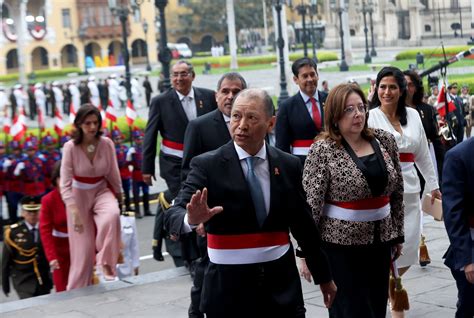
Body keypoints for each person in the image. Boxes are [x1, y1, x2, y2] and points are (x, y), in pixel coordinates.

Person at [165, 88, 336, 318]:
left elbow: (304, 227)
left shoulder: (288, 165)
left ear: (271, 123)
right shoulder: (207, 166)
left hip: (281, 290)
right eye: (236, 116)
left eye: (252, 117)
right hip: (227, 291)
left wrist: (324, 278)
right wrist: (190, 219)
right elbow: (173, 213)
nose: (241, 125)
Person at [302, 83, 404, 318]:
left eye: (361, 107)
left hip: (380, 242)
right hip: (340, 248)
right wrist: (305, 253)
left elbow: (397, 192)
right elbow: (311, 205)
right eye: (349, 110)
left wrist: (398, 234)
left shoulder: (384, 141)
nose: (358, 114)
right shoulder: (323, 150)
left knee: (377, 306)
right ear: (335, 115)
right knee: (349, 309)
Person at [368, 66, 441, 317]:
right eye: (382, 87)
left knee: (409, 247)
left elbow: (422, 154)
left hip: (411, 190)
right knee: (388, 249)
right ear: (376, 89)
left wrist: (434, 185)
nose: (387, 92)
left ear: (402, 90)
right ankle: (393, 295)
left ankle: (391, 283)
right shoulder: (369, 117)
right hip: (382, 193)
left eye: (392, 87)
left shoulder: (413, 115)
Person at [177, 72, 247, 318]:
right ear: (216, 96)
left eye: (236, 91)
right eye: (225, 91)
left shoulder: (251, 125)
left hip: (244, 213)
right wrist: (197, 216)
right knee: (205, 270)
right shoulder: (199, 126)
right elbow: (188, 173)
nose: (230, 96)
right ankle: (197, 312)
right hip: (210, 213)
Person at [143, 60, 217, 265]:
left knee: (205, 203)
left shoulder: (208, 96)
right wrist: (146, 168)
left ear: (192, 76)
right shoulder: (160, 101)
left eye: (184, 74)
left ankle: (208, 250)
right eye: (175, 74)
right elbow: (150, 134)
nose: (179, 78)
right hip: (174, 165)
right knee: (184, 205)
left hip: (202, 161)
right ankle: (189, 257)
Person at [60, 104, 122, 290]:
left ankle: (106, 263)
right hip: (77, 197)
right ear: (79, 124)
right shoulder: (70, 147)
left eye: (95, 123)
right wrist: (74, 211)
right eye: (87, 123)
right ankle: (76, 292)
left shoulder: (106, 143)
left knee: (112, 215)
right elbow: (65, 184)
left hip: (101, 190)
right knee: (83, 253)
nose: (92, 127)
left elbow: (113, 173)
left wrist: (120, 196)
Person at [442, 138, 474, 318]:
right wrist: (467, 259)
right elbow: (453, 213)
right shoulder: (458, 156)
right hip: (471, 243)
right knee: (469, 305)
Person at [275, 57, 328, 164]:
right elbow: (282, 146)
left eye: (313, 74)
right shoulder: (287, 107)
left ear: (317, 76)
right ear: (296, 79)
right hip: (301, 164)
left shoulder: (330, 99)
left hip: (331, 160)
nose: (310, 79)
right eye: (305, 76)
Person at [2, 196, 53, 299]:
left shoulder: (46, 229)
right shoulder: (13, 232)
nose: (33, 216)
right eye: (29, 213)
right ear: (22, 213)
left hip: (43, 278)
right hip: (23, 279)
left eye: (36, 212)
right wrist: (5, 285)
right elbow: (6, 261)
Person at [403, 70, 445, 185]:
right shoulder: (393, 110)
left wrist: (441, 163)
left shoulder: (427, 109)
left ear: (416, 88)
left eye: (410, 84)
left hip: (424, 159)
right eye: (403, 83)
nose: (407, 87)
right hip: (404, 165)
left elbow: (435, 138)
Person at [39, 161, 70, 292]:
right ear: (56, 179)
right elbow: (45, 230)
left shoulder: (81, 196)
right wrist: (52, 257)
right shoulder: (48, 200)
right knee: (62, 288)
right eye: (61, 177)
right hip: (60, 250)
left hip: (80, 246)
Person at [127, 128, 152, 217]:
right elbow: (127, 162)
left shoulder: (145, 147)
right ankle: (137, 212)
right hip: (136, 173)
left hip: (144, 172)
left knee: (146, 192)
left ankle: (147, 210)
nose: (140, 140)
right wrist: (129, 156)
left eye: (141, 138)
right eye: (137, 138)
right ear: (134, 139)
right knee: (136, 193)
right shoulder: (132, 150)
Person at [116, 211, 140, 279]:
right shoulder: (100, 220)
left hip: (125, 267)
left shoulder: (129, 220)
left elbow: (134, 244)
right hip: (106, 269)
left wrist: (136, 264)